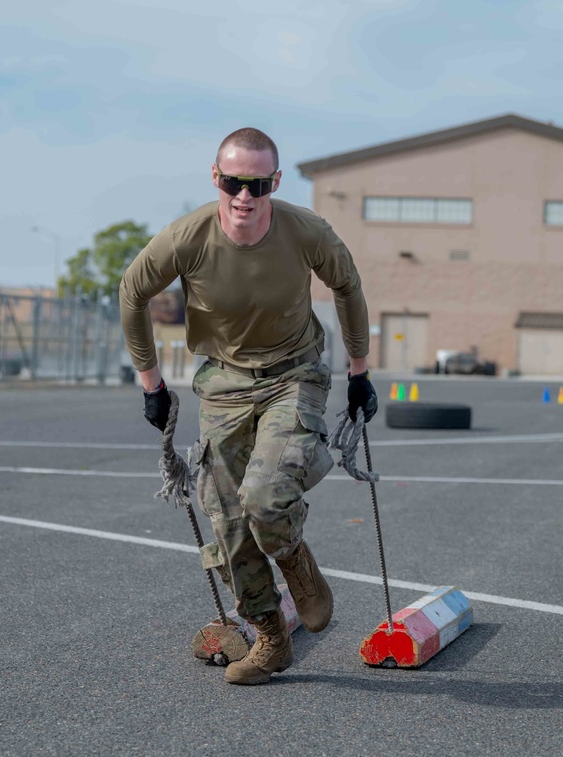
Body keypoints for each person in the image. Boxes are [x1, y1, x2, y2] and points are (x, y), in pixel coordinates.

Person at [119, 127, 378, 685]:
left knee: (265, 495)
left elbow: (349, 288)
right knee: (229, 519)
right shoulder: (186, 237)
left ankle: (296, 565)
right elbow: (132, 292)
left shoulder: (306, 230)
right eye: (234, 182)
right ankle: (271, 638)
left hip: (294, 374)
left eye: (257, 184)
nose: (244, 196)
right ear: (216, 178)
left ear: (274, 182)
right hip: (223, 384)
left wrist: (360, 374)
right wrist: (151, 384)